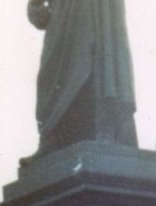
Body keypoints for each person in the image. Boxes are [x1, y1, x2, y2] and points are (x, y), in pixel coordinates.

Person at [27, 0, 138, 155]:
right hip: (63, 11)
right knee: (52, 69)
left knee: (101, 61)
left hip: (100, 8)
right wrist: (35, 6)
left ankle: (106, 129)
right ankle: (52, 135)